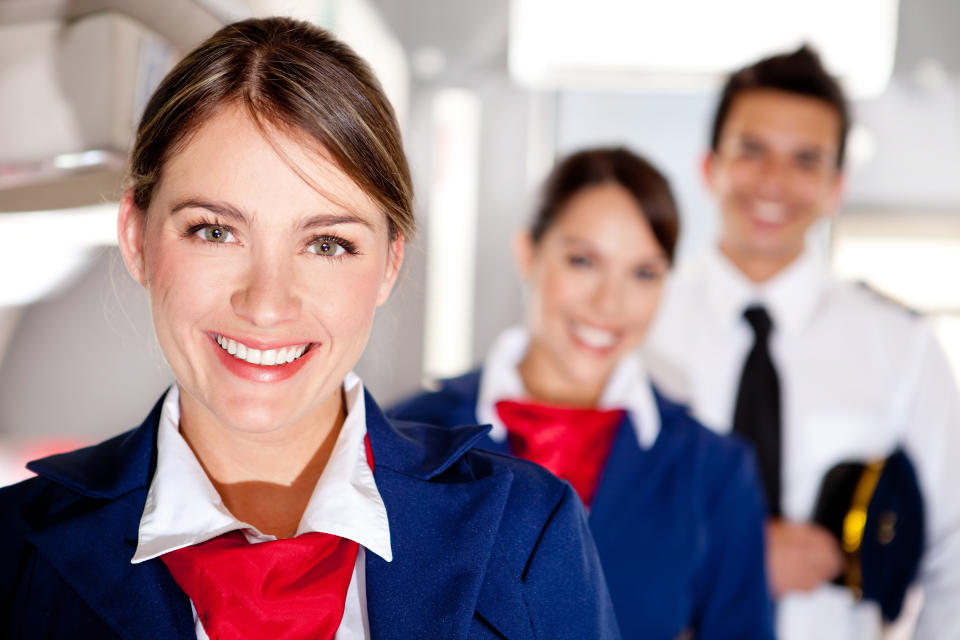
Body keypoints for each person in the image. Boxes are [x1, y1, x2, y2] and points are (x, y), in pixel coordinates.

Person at [0, 18, 620, 639]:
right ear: (137, 239)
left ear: (390, 262)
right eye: (215, 232)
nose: (267, 305)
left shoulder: (523, 533)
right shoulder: (13, 553)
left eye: (326, 243)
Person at [389, 147, 774, 639]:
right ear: (528, 252)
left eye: (643, 273)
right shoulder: (409, 436)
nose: (608, 303)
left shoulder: (713, 470)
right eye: (583, 261)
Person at [644, 45, 960, 639]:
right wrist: (730, 554)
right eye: (752, 150)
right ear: (709, 165)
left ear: (835, 186)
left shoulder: (902, 348)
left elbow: (954, 555)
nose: (773, 182)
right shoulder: (635, 323)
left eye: (805, 160)